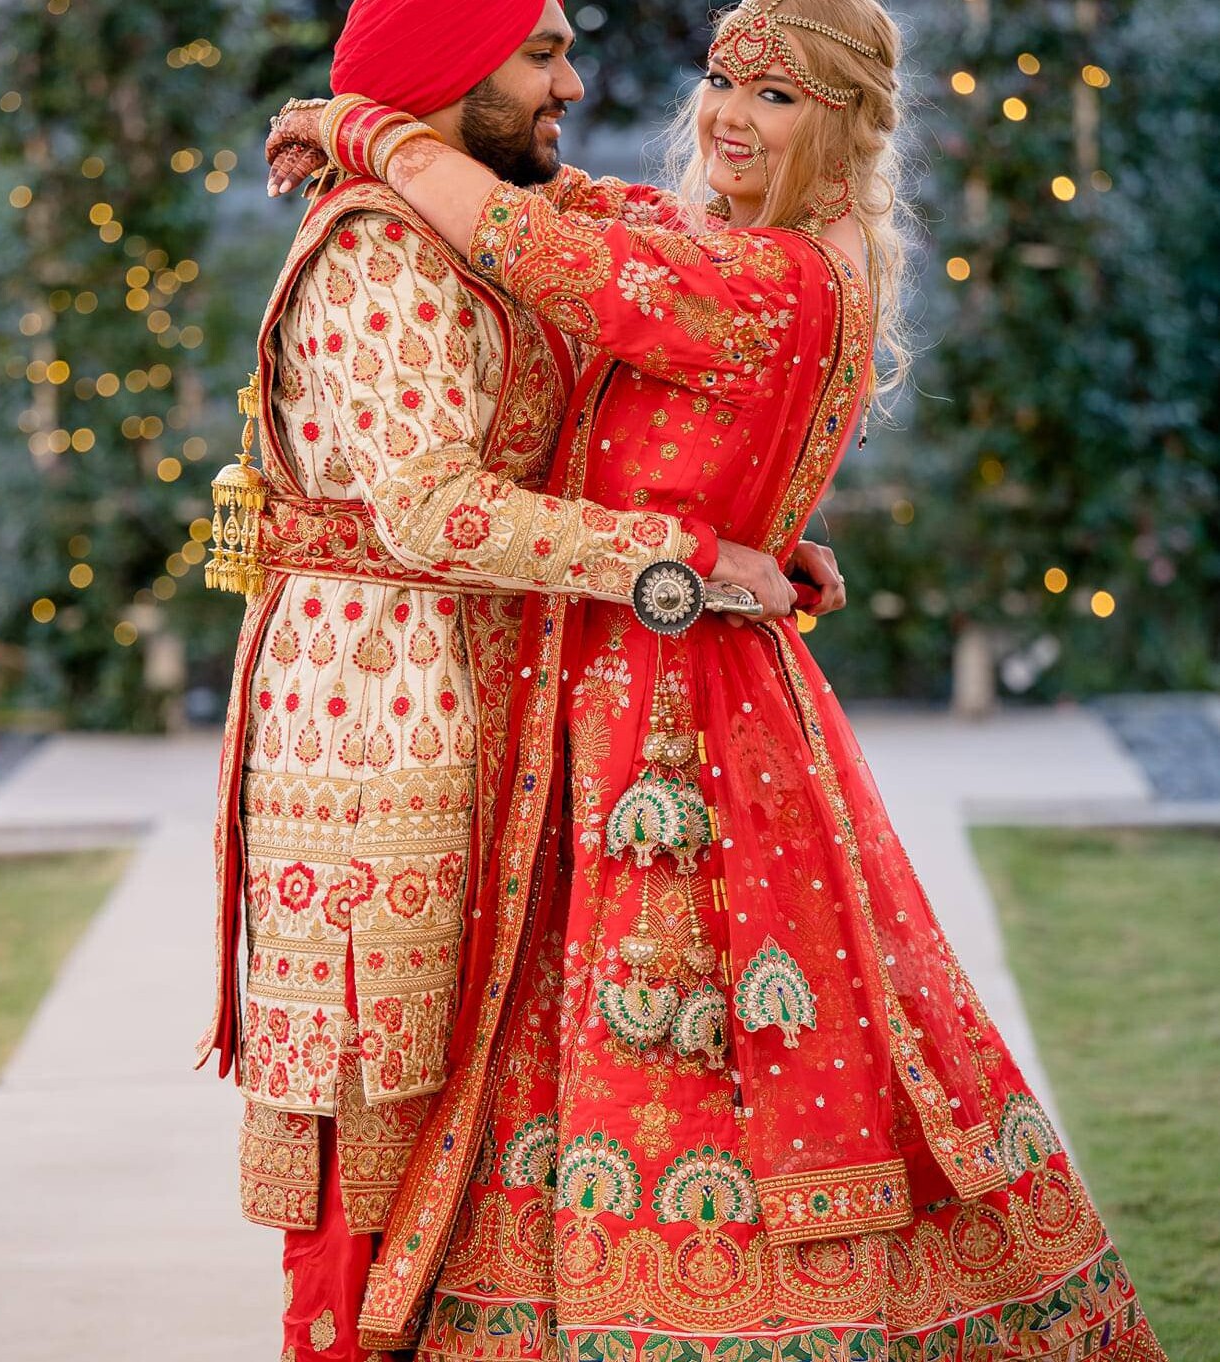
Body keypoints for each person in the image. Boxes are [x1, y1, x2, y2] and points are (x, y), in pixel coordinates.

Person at [275, 1, 1168, 1356]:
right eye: (718, 81)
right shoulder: (756, 251)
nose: (729, 118)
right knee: (643, 1033)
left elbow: (530, 244)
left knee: (682, 1039)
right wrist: (739, 544)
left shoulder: (767, 278)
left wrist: (360, 126)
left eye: (780, 97)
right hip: (671, 674)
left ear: (856, 124)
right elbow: (596, 210)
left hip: (670, 714)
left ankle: (691, 1312)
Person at [198, 2, 845, 1359]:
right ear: (450, 74)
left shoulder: (486, 214)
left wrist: (758, 542)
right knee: (380, 1080)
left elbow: (629, 333)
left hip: (488, 685)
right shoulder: (384, 249)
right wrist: (686, 558)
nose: (573, 80)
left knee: (473, 1088)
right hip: (376, 714)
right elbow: (435, 509)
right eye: (541, 54)